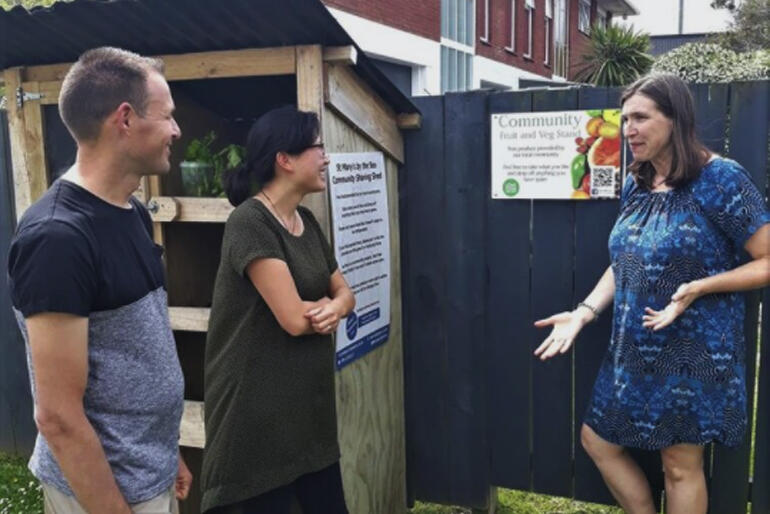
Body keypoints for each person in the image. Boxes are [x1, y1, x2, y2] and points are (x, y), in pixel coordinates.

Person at [534, 73, 770, 514]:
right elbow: (626, 261)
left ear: (675, 118)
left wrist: (700, 287)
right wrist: (583, 313)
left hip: (692, 350)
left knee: (679, 464)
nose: (629, 130)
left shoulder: (721, 179)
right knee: (596, 440)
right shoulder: (636, 184)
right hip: (632, 348)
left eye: (641, 118)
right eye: (625, 120)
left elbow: (767, 259)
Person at [7, 47, 191, 513]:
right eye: (167, 117)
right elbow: (58, 417)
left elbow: (135, 348)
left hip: (148, 469)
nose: (176, 130)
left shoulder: (130, 212)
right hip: (102, 493)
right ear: (125, 119)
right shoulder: (57, 239)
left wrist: (169, 453)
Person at [200, 106, 356, 514]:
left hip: (307, 418)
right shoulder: (250, 222)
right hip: (256, 420)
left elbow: (345, 292)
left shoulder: (305, 220)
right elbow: (292, 319)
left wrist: (334, 306)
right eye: (318, 147)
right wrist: (329, 309)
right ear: (284, 160)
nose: (326, 157)